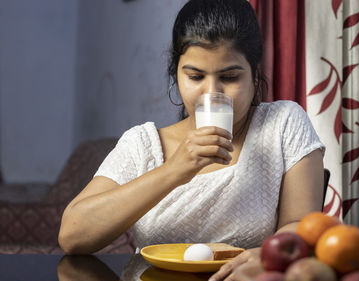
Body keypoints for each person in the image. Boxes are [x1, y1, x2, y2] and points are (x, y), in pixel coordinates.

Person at [58, 0, 325, 280]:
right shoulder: (142, 145)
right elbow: (73, 236)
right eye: (195, 76)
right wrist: (176, 169)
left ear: (255, 76)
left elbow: (299, 224)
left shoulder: (283, 124)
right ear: (176, 75)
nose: (211, 93)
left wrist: (264, 256)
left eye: (230, 77)